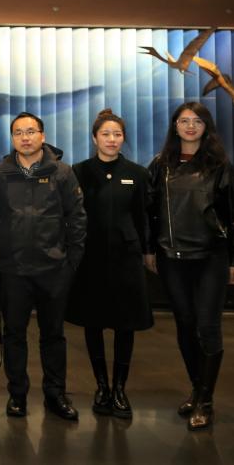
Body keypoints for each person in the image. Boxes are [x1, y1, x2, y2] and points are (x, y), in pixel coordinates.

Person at [147, 101, 234, 430]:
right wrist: (149, 249)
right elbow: (149, 212)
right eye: (184, 121)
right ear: (175, 126)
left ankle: (205, 401)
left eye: (197, 121)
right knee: (185, 325)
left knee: (208, 327)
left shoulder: (221, 166)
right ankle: (197, 388)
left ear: (206, 127)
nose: (190, 126)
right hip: (171, 258)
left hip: (211, 258)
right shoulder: (160, 165)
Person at [0, 111, 86, 421]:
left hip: (53, 270)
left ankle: (56, 394)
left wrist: (71, 262)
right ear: (12, 138)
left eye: (30, 131)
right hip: (13, 270)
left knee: (53, 335)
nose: (25, 138)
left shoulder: (62, 172)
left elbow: (77, 218)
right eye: (18, 133)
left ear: (42, 136)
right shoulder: (0, 174)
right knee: (14, 335)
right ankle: (17, 395)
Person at [65, 109, 154, 419]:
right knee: (93, 322)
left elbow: (144, 217)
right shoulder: (78, 171)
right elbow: (71, 216)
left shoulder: (138, 173)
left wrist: (148, 251)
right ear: (94, 138)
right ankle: (101, 386)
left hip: (126, 258)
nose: (111, 139)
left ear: (123, 138)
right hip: (90, 258)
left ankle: (119, 388)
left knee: (125, 323)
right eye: (105, 134)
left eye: (117, 134)